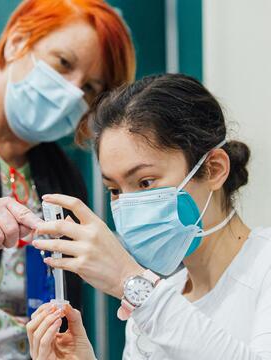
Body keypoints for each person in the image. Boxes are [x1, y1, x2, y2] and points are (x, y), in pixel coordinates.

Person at [0, 0, 135, 358]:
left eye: (91, 89)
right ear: (17, 40)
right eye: (63, 63)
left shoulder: (63, 177)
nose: (72, 92)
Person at [27, 74, 271, 359]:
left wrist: (130, 282)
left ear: (214, 169)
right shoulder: (151, 306)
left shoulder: (261, 267)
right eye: (115, 189)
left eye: (145, 182)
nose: (129, 205)